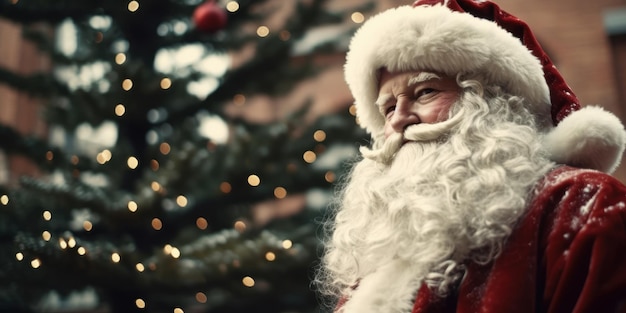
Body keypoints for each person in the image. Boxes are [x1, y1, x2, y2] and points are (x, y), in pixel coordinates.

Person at [316, 0, 626, 312]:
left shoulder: (582, 204)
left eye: (425, 92)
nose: (398, 119)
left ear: (495, 102)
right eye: (388, 108)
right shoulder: (385, 249)